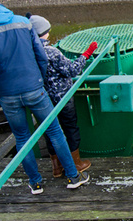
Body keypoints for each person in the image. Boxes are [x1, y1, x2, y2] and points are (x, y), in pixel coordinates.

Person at [0, 0, 89, 194]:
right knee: (55, 131)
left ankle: (36, 183)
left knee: (22, 137)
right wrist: (38, 80)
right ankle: (73, 177)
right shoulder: (23, 22)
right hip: (34, 88)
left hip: (7, 94)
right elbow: (40, 56)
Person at [27, 14, 96, 178]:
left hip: (42, 99)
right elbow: (71, 70)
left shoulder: (28, 53)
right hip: (62, 98)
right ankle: (76, 163)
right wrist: (85, 55)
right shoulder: (51, 51)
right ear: (45, 32)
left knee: (50, 131)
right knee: (70, 128)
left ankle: (56, 168)